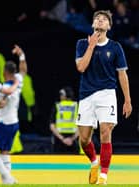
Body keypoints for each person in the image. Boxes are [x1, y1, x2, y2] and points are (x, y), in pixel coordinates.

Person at [75, 10, 132, 185]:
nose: (100, 21)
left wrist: (127, 100)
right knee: (84, 139)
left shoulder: (115, 47)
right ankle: (94, 162)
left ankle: (103, 176)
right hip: (86, 95)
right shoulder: (82, 44)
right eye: (97, 19)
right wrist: (91, 45)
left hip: (107, 94)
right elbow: (81, 68)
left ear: (109, 26)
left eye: (104, 20)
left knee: (105, 132)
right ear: (93, 24)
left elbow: (122, 75)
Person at [0, 45, 27, 184]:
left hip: (4, 123)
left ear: (5, 72)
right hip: (14, 123)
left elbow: (1, 104)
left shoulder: (6, 87)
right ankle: (7, 182)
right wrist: (21, 55)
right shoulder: (18, 81)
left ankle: (9, 178)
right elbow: (23, 70)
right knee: (4, 152)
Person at [49, 87, 79, 154]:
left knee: (57, 163)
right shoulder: (77, 106)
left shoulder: (57, 106)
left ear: (65, 96)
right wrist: (72, 139)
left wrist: (63, 139)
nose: (60, 96)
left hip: (59, 139)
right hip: (73, 140)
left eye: (61, 94)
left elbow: (52, 126)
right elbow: (82, 126)